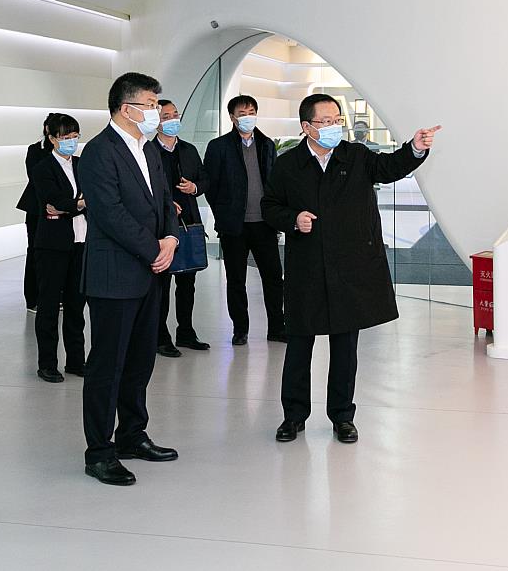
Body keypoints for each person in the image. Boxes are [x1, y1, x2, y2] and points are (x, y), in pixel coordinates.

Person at [262, 93, 439, 445]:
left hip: (348, 268)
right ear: (306, 127)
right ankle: (293, 416)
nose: (333, 127)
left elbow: (389, 168)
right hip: (307, 269)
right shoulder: (288, 165)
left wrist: (415, 149)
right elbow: (269, 206)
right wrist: (293, 219)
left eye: (337, 120)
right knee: (299, 345)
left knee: (345, 347)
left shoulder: (356, 156)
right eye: (325, 122)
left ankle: (342, 416)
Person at [79, 72, 180, 486]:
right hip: (115, 275)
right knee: (108, 365)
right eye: (151, 105)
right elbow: (109, 214)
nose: (157, 112)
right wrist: (154, 249)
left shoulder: (148, 149)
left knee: (140, 360)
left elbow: (165, 200)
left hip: (150, 272)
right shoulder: (98, 152)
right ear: (127, 108)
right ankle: (99, 452)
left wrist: (171, 237)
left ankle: (132, 435)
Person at [203, 95, 285, 345]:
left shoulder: (266, 144)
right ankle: (240, 329)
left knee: (273, 277)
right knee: (236, 280)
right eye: (242, 113)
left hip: (264, 224)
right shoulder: (219, 146)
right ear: (232, 117)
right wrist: (223, 215)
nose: (248, 117)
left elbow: (275, 182)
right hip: (234, 226)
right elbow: (211, 186)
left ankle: (277, 327)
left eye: (251, 112)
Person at [29, 114, 86, 382]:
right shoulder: (43, 168)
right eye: (65, 137)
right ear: (52, 139)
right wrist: (79, 203)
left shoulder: (82, 164)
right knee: (49, 305)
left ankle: (76, 360)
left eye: (75, 136)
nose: (71, 142)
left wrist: (70, 206)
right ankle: (47, 363)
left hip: (82, 241)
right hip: (52, 245)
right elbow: (53, 201)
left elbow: (70, 203)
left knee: (77, 305)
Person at [152, 99, 210, 356]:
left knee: (188, 281)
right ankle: (160, 336)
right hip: (161, 226)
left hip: (189, 223)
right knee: (162, 284)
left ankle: (186, 332)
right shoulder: (149, 151)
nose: (173, 119)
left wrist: (194, 187)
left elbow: (204, 179)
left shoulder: (188, 149)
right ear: (156, 122)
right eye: (166, 116)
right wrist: (165, 204)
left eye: (175, 114)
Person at [15, 114, 60, 312]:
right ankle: (33, 297)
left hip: (62, 210)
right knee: (35, 251)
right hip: (37, 209)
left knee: (57, 254)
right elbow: (37, 178)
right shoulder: (35, 150)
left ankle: (56, 295)